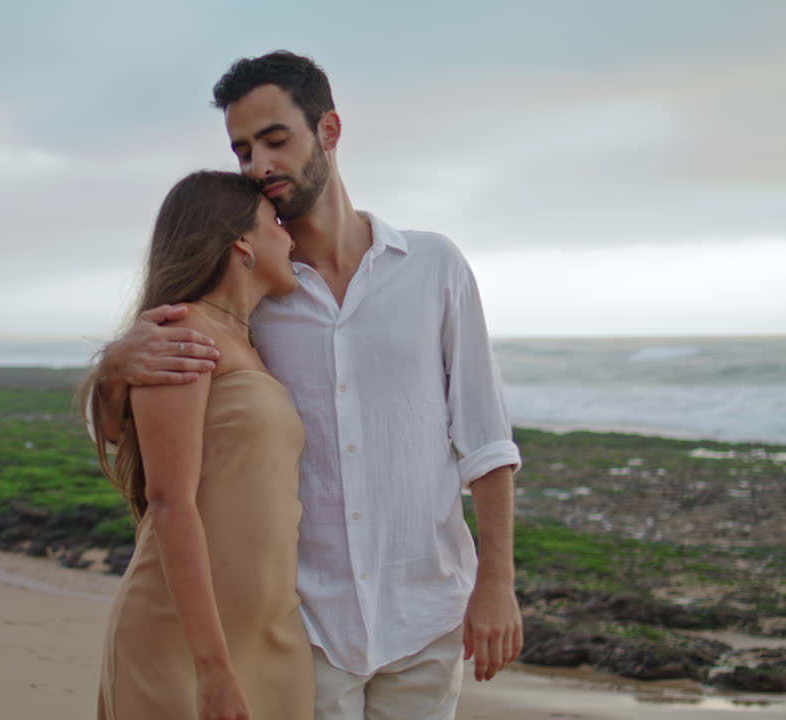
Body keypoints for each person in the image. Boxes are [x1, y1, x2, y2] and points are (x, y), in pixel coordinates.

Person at [93, 52, 523, 720]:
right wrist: (114, 364)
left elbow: (485, 438)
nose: (258, 166)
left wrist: (497, 580)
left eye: (275, 140)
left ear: (328, 131)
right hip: (306, 628)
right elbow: (149, 428)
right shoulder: (254, 296)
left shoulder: (434, 267)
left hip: (427, 617)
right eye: (241, 150)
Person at [84, 169, 313, 720]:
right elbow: (169, 501)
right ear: (242, 242)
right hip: (185, 646)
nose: (290, 237)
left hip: (270, 636)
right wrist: (211, 666)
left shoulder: (253, 340)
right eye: (276, 224)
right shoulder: (183, 331)